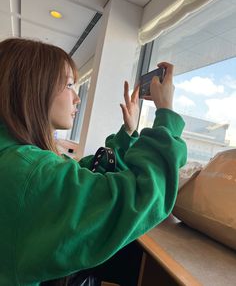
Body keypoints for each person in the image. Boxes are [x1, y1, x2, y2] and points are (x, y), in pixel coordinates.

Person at [0, 38, 187, 285]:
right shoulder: (27, 171)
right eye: (68, 85)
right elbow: (139, 195)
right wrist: (166, 114)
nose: (77, 99)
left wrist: (128, 133)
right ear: (31, 89)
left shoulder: (14, 157)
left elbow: (77, 175)